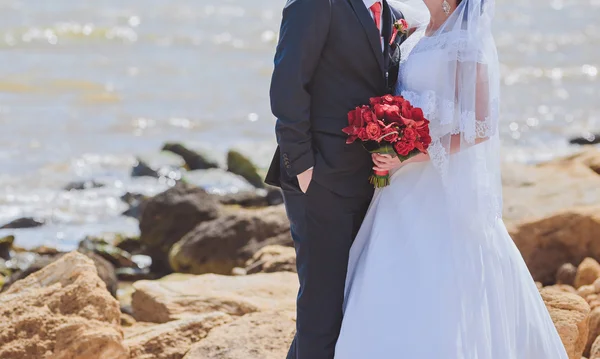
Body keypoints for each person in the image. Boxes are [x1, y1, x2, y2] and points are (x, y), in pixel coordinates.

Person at [333, 0, 570, 357]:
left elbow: (481, 127)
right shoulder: (415, 35)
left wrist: (410, 154)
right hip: (400, 184)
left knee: (443, 280)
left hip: (439, 183)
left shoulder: (466, 42)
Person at [264, 0, 410, 358]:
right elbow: (288, 83)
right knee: (321, 309)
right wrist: (301, 166)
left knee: (350, 305)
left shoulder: (391, 13)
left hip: (371, 182)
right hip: (320, 180)